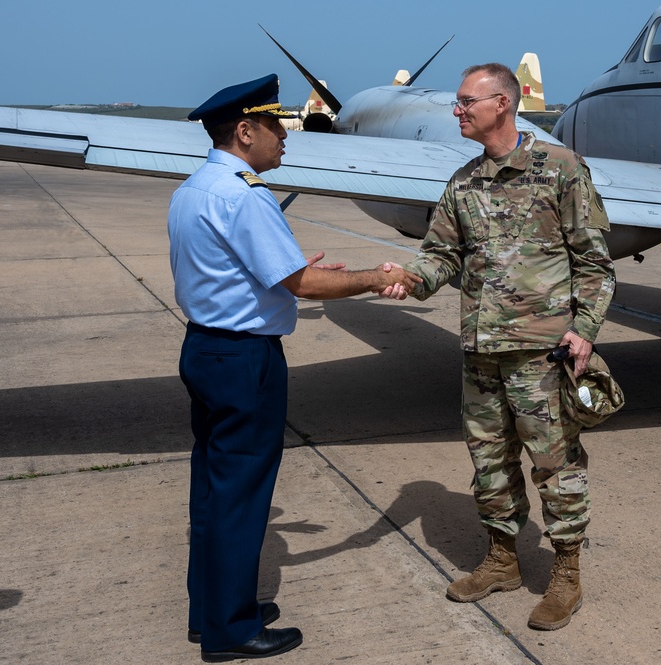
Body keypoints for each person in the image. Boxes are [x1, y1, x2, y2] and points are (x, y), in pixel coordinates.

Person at [168, 73, 420, 662]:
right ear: (246, 130)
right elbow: (302, 285)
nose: (286, 136)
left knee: (211, 489)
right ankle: (231, 631)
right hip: (243, 359)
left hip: (205, 348)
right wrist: (377, 278)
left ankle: (210, 612)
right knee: (241, 494)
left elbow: (230, 271)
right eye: (276, 126)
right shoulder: (246, 195)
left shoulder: (195, 188)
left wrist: (283, 270)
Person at [399, 63, 616, 631]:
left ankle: (566, 574)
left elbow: (595, 264)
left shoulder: (561, 169)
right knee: (489, 462)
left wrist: (585, 331)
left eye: (467, 101)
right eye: (458, 101)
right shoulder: (463, 182)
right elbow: (441, 256)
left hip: (541, 355)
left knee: (555, 463)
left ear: (502, 103)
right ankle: (502, 560)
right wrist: (400, 278)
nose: (457, 110)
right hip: (480, 353)